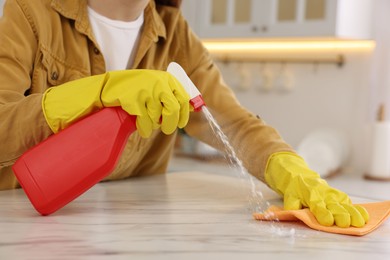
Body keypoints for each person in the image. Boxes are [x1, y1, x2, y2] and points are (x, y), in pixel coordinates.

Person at [0, 0, 369, 228]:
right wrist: (97, 92)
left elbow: (234, 124)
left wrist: (291, 170)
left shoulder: (177, 37)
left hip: (136, 231)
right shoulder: (31, 13)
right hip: (26, 220)